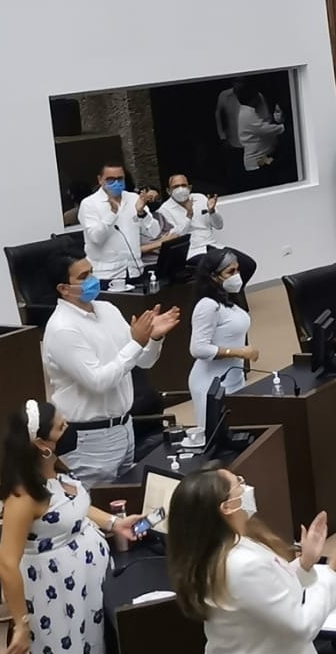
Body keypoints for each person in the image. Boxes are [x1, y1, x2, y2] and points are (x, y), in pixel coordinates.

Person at [167, 464, 336, 654]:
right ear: (226, 507)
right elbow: (300, 626)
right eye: (239, 483)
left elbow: (264, 591)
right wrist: (332, 570)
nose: (245, 487)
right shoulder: (241, 564)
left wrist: (304, 564)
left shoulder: (217, 549)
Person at [0, 400, 144, 654]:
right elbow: (6, 564)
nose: (69, 429)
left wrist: (115, 523)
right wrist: (21, 623)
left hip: (86, 586)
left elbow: (74, 508)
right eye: (61, 427)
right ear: (42, 444)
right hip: (55, 594)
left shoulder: (57, 467)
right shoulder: (22, 495)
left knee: (94, 652)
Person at [41, 252, 180, 485]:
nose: (92, 280)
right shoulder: (62, 329)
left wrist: (153, 339)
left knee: (127, 498)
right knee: (99, 505)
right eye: (84, 277)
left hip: (125, 427)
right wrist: (137, 342)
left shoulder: (108, 309)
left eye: (92, 272)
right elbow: (99, 382)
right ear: (64, 289)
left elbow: (142, 362)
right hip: (90, 438)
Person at [187, 250, 255, 429]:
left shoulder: (229, 300)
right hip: (210, 384)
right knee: (215, 437)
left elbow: (250, 263)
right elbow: (198, 349)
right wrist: (239, 352)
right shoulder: (208, 305)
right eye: (230, 272)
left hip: (235, 377)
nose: (237, 276)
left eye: (237, 270)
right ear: (213, 276)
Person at [78, 162, 160, 284]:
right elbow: (96, 238)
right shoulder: (90, 204)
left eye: (119, 179)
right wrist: (111, 214)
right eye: (110, 179)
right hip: (106, 275)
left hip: (135, 271)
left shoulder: (133, 199)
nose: (116, 183)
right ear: (100, 180)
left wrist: (141, 213)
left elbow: (155, 233)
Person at [159, 174, 224, 259]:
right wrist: (189, 215)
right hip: (191, 252)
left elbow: (219, 226)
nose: (180, 189)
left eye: (183, 185)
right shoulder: (164, 210)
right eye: (176, 187)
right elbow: (175, 238)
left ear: (189, 187)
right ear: (168, 191)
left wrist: (212, 211)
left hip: (212, 245)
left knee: (245, 262)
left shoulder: (200, 198)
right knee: (222, 265)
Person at [215, 79, 267, 183]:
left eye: (241, 81)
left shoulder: (257, 95)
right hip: (233, 142)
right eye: (236, 81)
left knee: (255, 175)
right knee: (235, 175)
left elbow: (264, 117)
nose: (239, 84)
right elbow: (218, 115)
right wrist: (222, 137)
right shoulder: (224, 96)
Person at [236, 83, 286, 189]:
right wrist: (283, 127)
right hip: (257, 161)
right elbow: (263, 129)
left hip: (263, 157)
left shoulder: (249, 111)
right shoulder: (247, 114)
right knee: (263, 184)